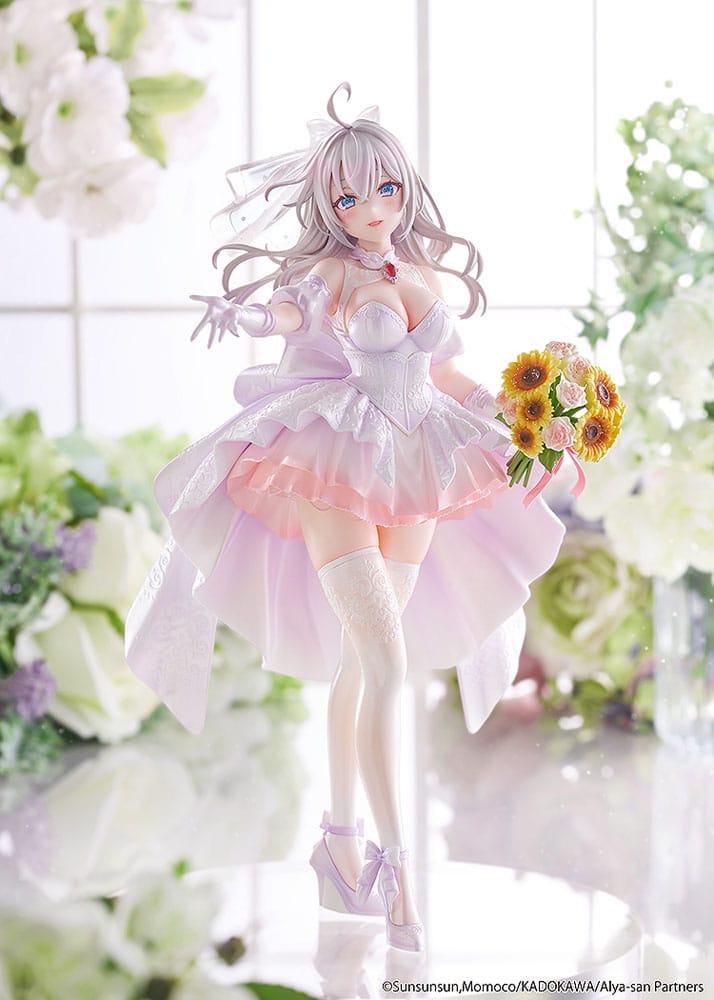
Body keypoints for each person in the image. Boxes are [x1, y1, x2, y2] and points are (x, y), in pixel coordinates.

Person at [125, 83, 564, 953]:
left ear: (406, 187)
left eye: (385, 188)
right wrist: (252, 313)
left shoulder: (419, 274)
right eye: (350, 195)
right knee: (387, 664)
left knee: (363, 669)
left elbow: (446, 376)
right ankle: (396, 872)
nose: (370, 207)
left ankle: (336, 844)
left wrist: (522, 412)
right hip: (335, 461)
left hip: (421, 461)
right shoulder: (329, 275)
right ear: (329, 203)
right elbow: (288, 313)